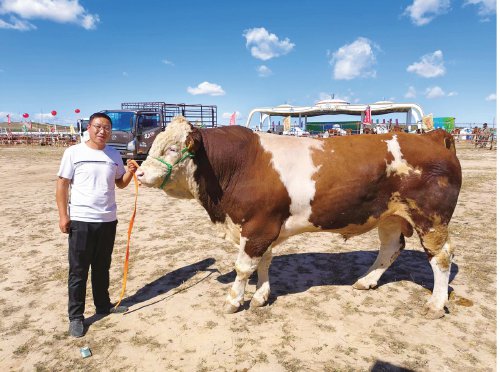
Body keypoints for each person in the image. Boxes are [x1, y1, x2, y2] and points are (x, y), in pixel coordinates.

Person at [56, 112, 138, 338]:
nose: (103, 131)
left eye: (107, 128)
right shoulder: (73, 153)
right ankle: (76, 317)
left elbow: (120, 184)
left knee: (102, 266)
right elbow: (62, 185)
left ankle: (103, 305)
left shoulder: (114, 155)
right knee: (79, 271)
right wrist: (64, 216)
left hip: (108, 220)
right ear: (89, 128)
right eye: (98, 127)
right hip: (82, 221)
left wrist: (130, 172)